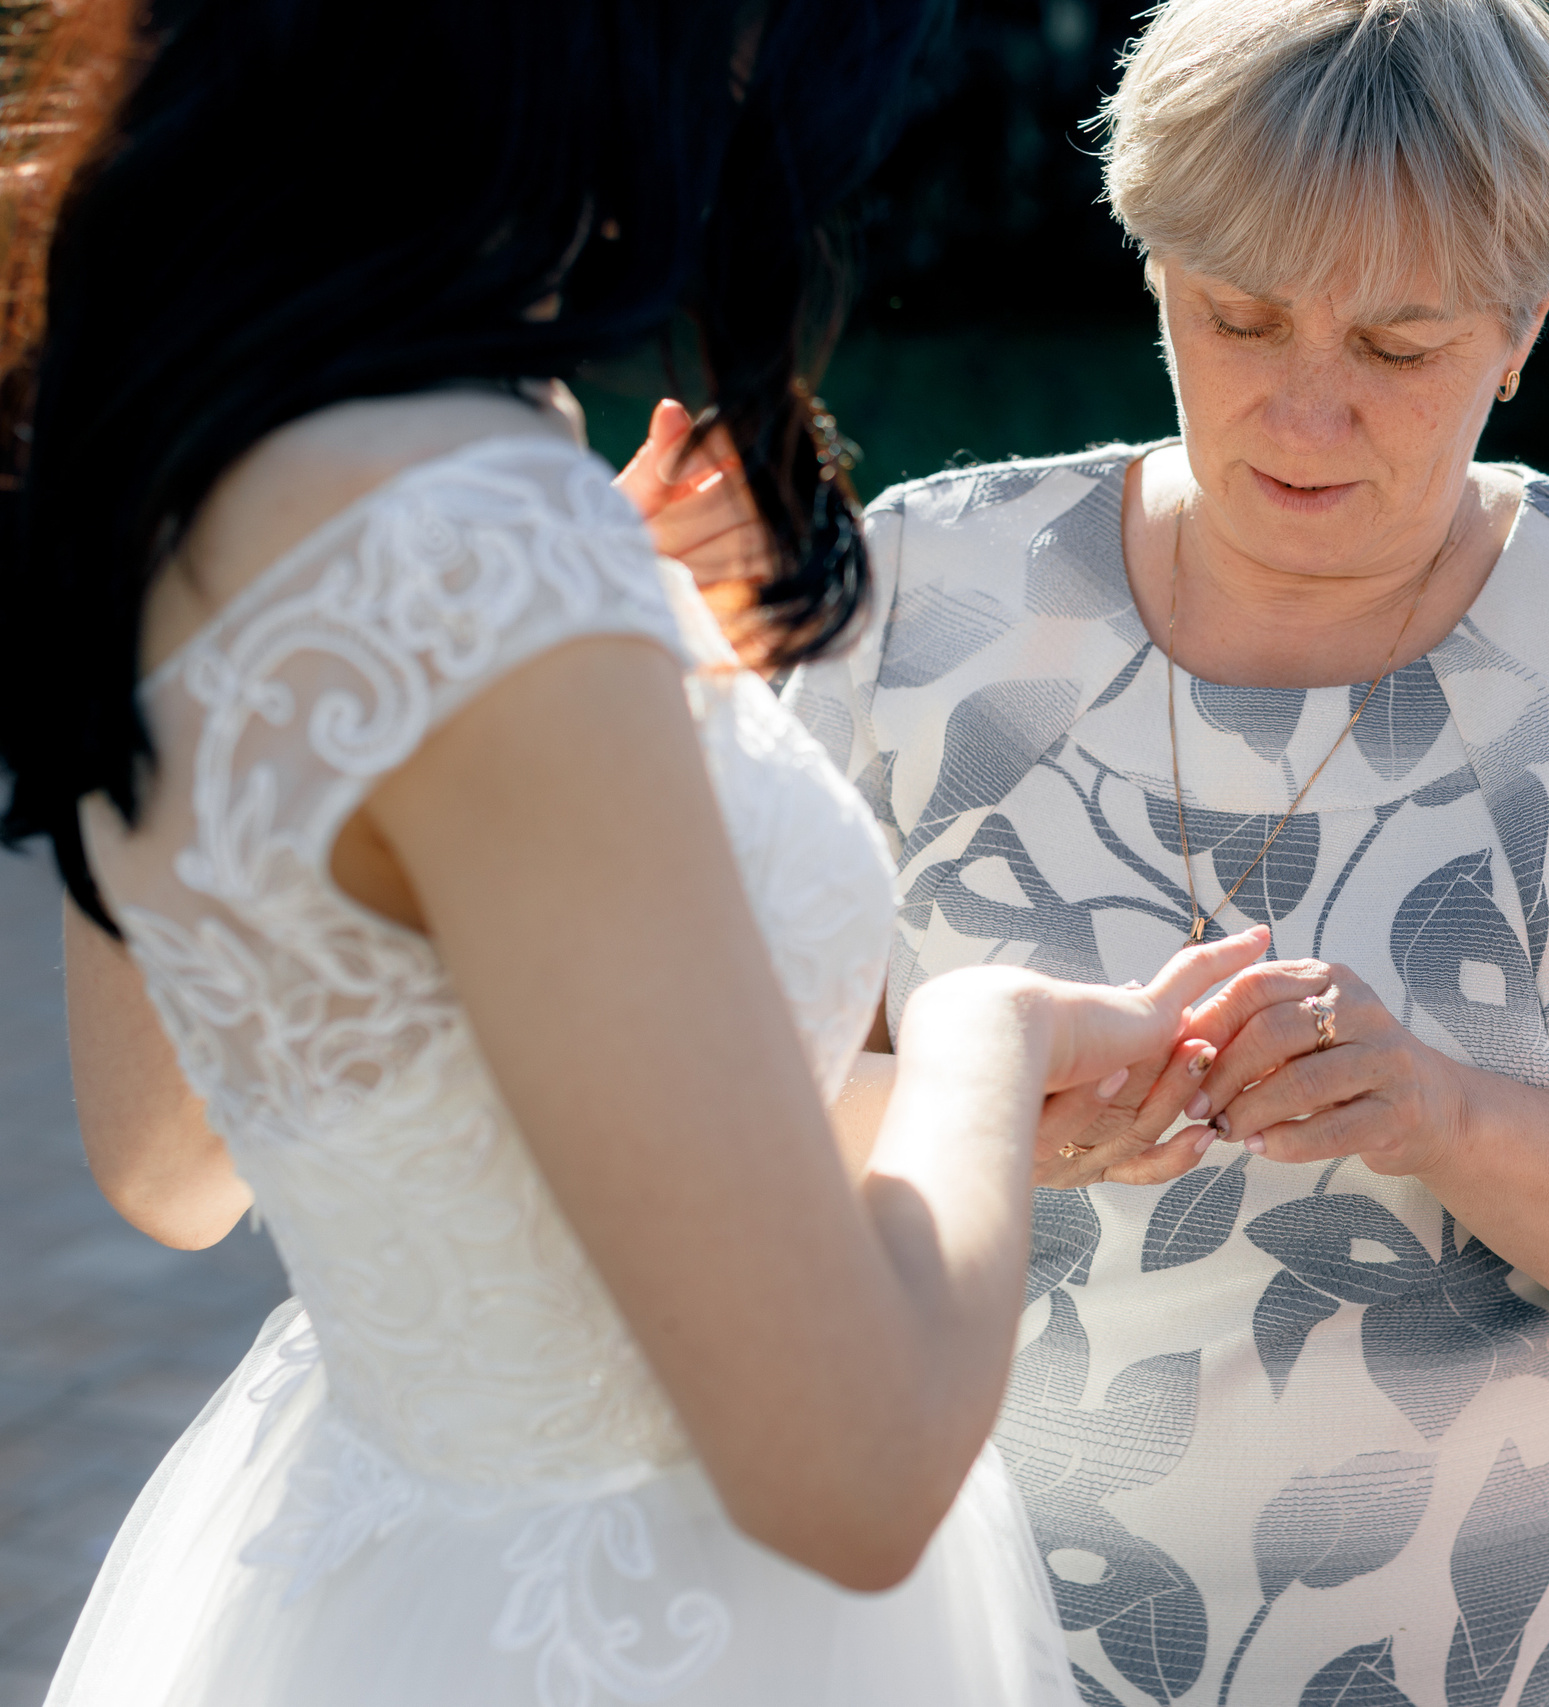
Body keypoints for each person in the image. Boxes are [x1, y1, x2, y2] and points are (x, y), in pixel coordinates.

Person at [0, 2, 1271, 1701]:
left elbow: (176, 1161)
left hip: (360, 1588)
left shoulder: (204, 432)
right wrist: (989, 1035)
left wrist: (604, 659)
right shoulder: (483, 558)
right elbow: (856, 1466)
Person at [770, 0, 1549, 1699]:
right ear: (1153, 272)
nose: (1303, 410)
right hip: (964, 1648)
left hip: (1492, 1654)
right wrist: (1000, 1120)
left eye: (1399, 346)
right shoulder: (921, 595)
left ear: (1522, 332)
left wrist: (1449, 1117)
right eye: (1239, 318)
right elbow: (736, 1124)